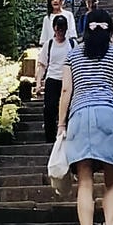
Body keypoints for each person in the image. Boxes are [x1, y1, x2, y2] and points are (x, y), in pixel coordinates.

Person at [55, 9, 113, 225]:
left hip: (79, 116)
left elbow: (65, 91)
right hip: (107, 114)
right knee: (112, 181)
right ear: (110, 30)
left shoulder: (72, 55)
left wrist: (61, 124)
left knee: (84, 181)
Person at [39, 11, 73, 146]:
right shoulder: (49, 44)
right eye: (58, 28)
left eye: (62, 29)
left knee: (69, 108)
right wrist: (38, 83)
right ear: (54, 28)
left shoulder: (72, 44)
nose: (60, 32)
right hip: (52, 78)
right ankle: (50, 138)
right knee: (49, 108)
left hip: (68, 79)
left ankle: (68, 136)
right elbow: (42, 64)